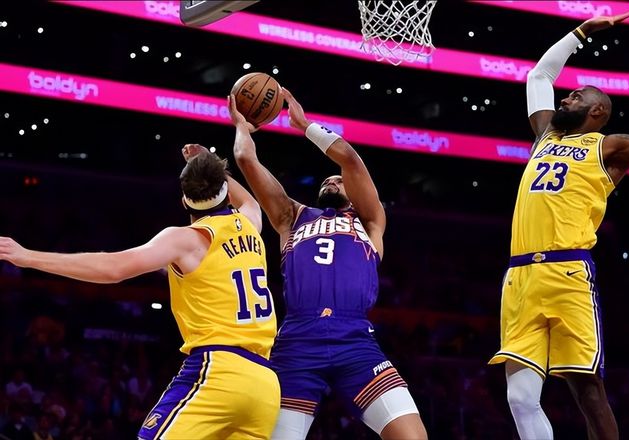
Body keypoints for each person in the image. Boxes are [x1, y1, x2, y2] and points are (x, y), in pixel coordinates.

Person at [0, 144, 280, 440]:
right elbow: (249, 201)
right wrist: (210, 164)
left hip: (220, 371)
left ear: (184, 202)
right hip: (265, 385)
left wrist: (28, 257)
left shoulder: (186, 240)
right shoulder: (250, 223)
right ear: (224, 189)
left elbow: (113, 268)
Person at [488, 12, 629, 440]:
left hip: (567, 272)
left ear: (598, 110)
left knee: (587, 390)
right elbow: (539, 75)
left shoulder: (610, 146)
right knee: (519, 397)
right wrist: (581, 32)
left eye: (576, 96)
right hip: (520, 277)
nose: (566, 98)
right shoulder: (545, 136)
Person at [228, 90, 427, 440]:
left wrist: (305, 126)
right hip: (297, 342)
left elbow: (349, 160)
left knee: (412, 437)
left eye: (337, 180)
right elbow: (246, 158)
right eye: (326, 180)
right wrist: (241, 127)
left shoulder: (370, 222)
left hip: (355, 341)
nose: (331, 180)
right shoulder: (291, 217)